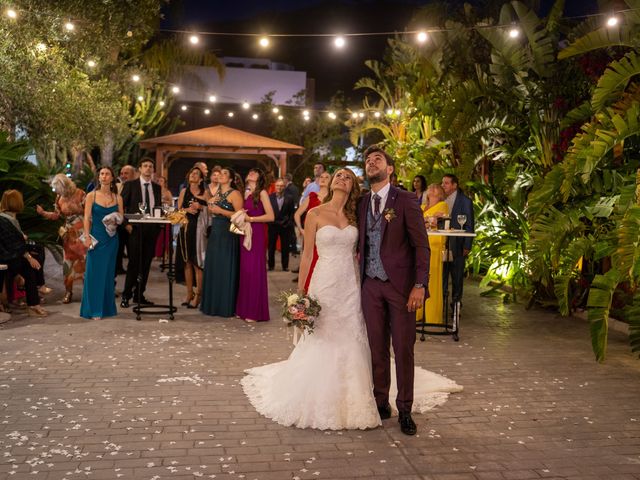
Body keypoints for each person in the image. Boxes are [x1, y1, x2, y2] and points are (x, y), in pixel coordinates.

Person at [241, 168, 461, 431]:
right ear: (331, 182)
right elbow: (309, 255)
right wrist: (301, 295)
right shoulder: (315, 214)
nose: (342, 179)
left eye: (348, 176)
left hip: (352, 286)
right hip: (324, 283)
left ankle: (370, 397)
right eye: (338, 176)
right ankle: (321, 395)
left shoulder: (356, 215)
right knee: (323, 336)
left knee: (355, 336)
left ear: (354, 186)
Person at [358, 145, 430, 436]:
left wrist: (419, 285)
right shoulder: (362, 203)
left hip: (401, 288)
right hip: (370, 285)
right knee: (376, 347)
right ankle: (381, 401)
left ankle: (405, 409)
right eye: (367, 160)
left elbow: (421, 245)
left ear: (389, 169)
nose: (371, 162)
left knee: (403, 349)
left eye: (378, 159)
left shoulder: (406, 199)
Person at [79, 167, 123, 320]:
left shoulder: (118, 198)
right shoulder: (91, 195)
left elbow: (121, 218)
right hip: (96, 239)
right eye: (101, 174)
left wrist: (115, 218)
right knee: (93, 274)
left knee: (108, 275)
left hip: (112, 240)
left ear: (112, 178)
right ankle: (94, 310)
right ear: (98, 177)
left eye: (107, 174)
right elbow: (86, 218)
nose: (104, 177)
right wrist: (87, 236)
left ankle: (107, 308)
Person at [36, 174, 87, 304]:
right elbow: (56, 215)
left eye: (57, 188)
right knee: (67, 264)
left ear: (64, 186)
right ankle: (68, 292)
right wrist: (43, 213)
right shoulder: (59, 197)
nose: (56, 191)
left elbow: (89, 212)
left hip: (82, 232)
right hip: (68, 235)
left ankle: (88, 292)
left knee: (85, 262)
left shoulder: (80, 193)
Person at [120, 158, 162, 309]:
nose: (148, 168)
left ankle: (139, 294)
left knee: (146, 264)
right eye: (145, 166)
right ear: (140, 169)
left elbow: (158, 207)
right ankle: (126, 295)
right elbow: (121, 206)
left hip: (152, 230)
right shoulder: (130, 185)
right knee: (133, 263)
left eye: (151, 166)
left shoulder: (157, 188)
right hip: (135, 229)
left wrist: (159, 226)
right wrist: (126, 225)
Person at [200, 167, 243, 317]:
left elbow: (240, 215)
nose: (221, 175)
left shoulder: (235, 193)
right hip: (216, 233)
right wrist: (210, 204)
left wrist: (221, 211)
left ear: (231, 179)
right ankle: (213, 304)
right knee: (214, 267)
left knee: (224, 267)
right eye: (220, 173)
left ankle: (225, 305)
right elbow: (211, 210)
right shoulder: (218, 193)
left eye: (225, 173)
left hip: (227, 233)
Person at [0, 190, 49, 317]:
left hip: (11, 254)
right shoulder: (3, 220)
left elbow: (16, 241)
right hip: (6, 257)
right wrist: (28, 257)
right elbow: (13, 244)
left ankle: (35, 300)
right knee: (30, 265)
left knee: (37, 252)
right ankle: (34, 302)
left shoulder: (9, 218)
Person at [235, 168, 274, 323]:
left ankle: (254, 311)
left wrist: (250, 219)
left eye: (255, 172)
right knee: (245, 272)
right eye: (249, 171)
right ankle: (243, 309)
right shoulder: (243, 193)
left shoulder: (262, 193)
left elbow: (271, 216)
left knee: (254, 270)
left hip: (256, 233)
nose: (250, 173)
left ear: (260, 177)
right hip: (244, 233)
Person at [176, 167, 209, 309]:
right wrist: (187, 210)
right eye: (192, 173)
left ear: (201, 179)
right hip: (185, 228)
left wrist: (201, 206)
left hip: (199, 229)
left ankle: (198, 295)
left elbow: (210, 210)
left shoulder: (205, 193)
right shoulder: (184, 191)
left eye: (196, 174)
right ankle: (189, 293)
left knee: (197, 263)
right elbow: (178, 210)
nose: (193, 175)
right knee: (187, 262)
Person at [417, 184, 448, 324]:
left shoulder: (443, 205)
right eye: (431, 188)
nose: (433, 190)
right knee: (418, 278)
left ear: (440, 193)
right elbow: (418, 222)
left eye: (436, 188)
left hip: (434, 245)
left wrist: (427, 220)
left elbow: (438, 222)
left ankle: (432, 317)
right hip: (420, 244)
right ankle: (418, 313)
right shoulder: (422, 207)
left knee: (433, 280)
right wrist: (428, 220)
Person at [294, 171, 330, 291]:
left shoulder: (332, 199)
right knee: (309, 263)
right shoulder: (312, 196)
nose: (323, 179)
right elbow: (297, 214)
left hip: (326, 239)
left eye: (327, 177)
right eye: (321, 177)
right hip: (311, 238)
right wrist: (301, 229)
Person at [441, 174, 474, 304]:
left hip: (458, 245)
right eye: (442, 183)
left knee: (457, 277)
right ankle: (441, 304)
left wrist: (467, 245)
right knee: (442, 276)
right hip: (442, 244)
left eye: (446, 183)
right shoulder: (440, 200)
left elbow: (470, 224)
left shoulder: (465, 201)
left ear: (454, 185)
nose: (443, 185)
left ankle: (456, 305)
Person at [268, 178, 296, 272]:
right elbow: (267, 211)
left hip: (285, 226)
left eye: (281, 186)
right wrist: (270, 222)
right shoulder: (269, 197)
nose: (279, 187)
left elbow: (292, 213)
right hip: (272, 225)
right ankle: (271, 266)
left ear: (284, 187)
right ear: (275, 187)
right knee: (271, 246)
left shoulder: (289, 198)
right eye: (277, 186)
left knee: (285, 247)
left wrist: (288, 223)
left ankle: (285, 266)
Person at [115, 165, 136, 275]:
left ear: (134, 174)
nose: (123, 176)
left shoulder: (137, 187)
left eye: (126, 173)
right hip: (119, 222)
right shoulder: (116, 187)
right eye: (122, 173)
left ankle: (132, 271)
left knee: (132, 250)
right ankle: (118, 268)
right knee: (118, 248)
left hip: (132, 222)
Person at [153, 176, 174, 261]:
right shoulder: (154, 191)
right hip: (156, 214)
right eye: (158, 181)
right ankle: (157, 254)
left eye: (161, 181)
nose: (159, 182)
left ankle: (166, 254)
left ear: (164, 183)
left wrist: (163, 202)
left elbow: (171, 202)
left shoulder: (167, 192)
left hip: (165, 214)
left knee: (165, 235)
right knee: (157, 235)